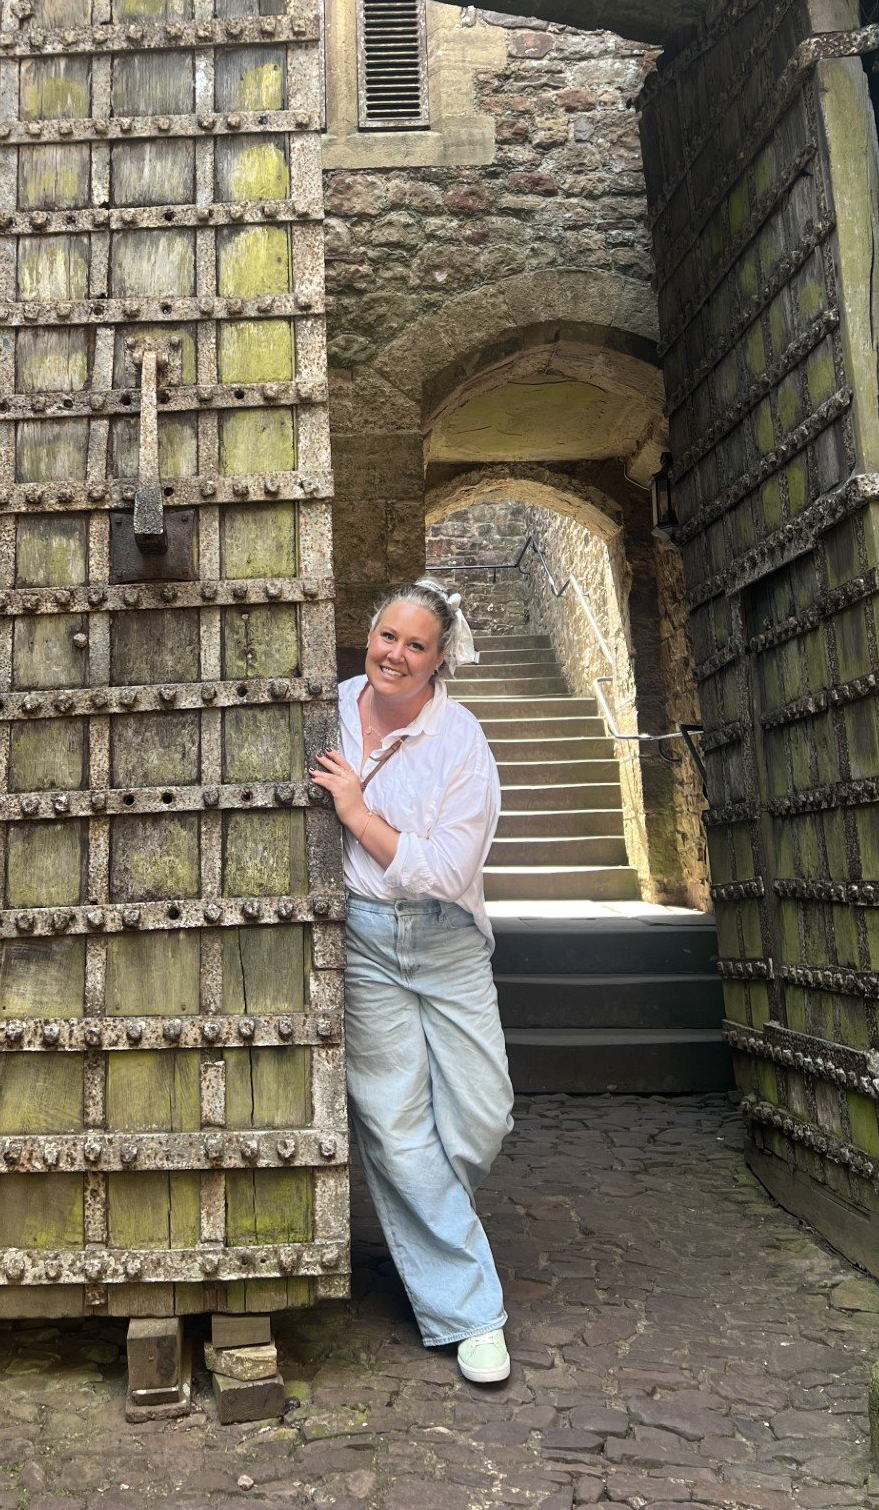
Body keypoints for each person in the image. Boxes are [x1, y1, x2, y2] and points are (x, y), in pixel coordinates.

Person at [309, 577, 515, 1384]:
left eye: (416, 645)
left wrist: (358, 815)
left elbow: (446, 867)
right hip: (363, 940)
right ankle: (471, 1312)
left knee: (482, 1116)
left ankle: (428, 1226)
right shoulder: (325, 707)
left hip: (446, 940)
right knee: (394, 1127)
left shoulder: (461, 743)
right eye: (387, 636)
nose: (396, 654)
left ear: (438, 662)